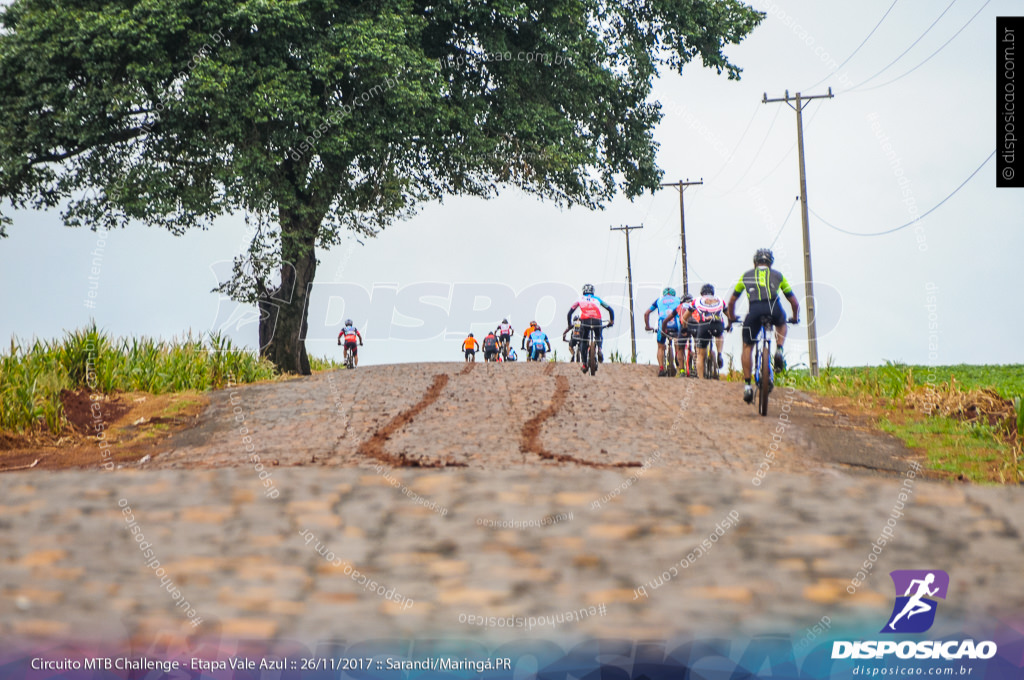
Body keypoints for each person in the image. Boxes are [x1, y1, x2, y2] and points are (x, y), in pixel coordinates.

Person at [726, 248, 800, 404]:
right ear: (770, 263)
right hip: (774, 308)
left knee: (747, 346)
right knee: (781, 324)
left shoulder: (746, 276)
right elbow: (794, 302)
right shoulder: (778, 276)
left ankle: (747, 386)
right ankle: (779, 350)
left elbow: (731, 301)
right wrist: (795, 317)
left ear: (755, 262)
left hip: (754, 310)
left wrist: (732, 318)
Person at [675, 284, 727, 379]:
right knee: (719, 335)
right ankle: (719, 353)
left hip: (704, 325)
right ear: (713, 292)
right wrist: (730, 325)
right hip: (718, 324)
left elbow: (685, 317)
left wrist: (685, 327)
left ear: (702, 293)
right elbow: (729, 314)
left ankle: (701, 379)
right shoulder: (720, 300)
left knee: (700, 355)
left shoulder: (697, 300)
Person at [567, 283, 614, 374]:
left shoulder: (580, 299)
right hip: (597, 320)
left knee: (583, 341)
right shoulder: (597, 299)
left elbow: (569, 313)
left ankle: (584, 364)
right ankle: (599, 349)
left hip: (585, 321)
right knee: (598, 336)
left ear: (583, 291)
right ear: (593, 291)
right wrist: (611, 321)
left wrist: (569, 325)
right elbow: (610, 310)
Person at [644, 287, 680, 377]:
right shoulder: (678, 300)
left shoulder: (659, 300)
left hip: (662, 325)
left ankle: (661, 369)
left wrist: (648, 326)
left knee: (660, 347)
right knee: (678, 342)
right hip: (675, 323)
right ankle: (677, 355)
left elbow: (646, 313)